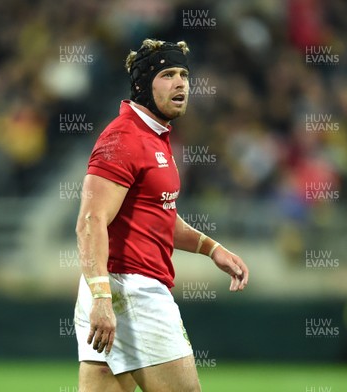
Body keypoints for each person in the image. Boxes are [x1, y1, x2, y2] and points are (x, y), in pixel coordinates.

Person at [73, 38, 249, 392]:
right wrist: (104, 299)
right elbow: (91, 221)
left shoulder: (153, 137)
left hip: (113, 292)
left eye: (184, 73)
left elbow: (159, 216)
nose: (181, 82)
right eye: (168, 74)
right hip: (132, 292)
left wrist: (212, 248)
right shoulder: (124, 138)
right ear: (142, 85)